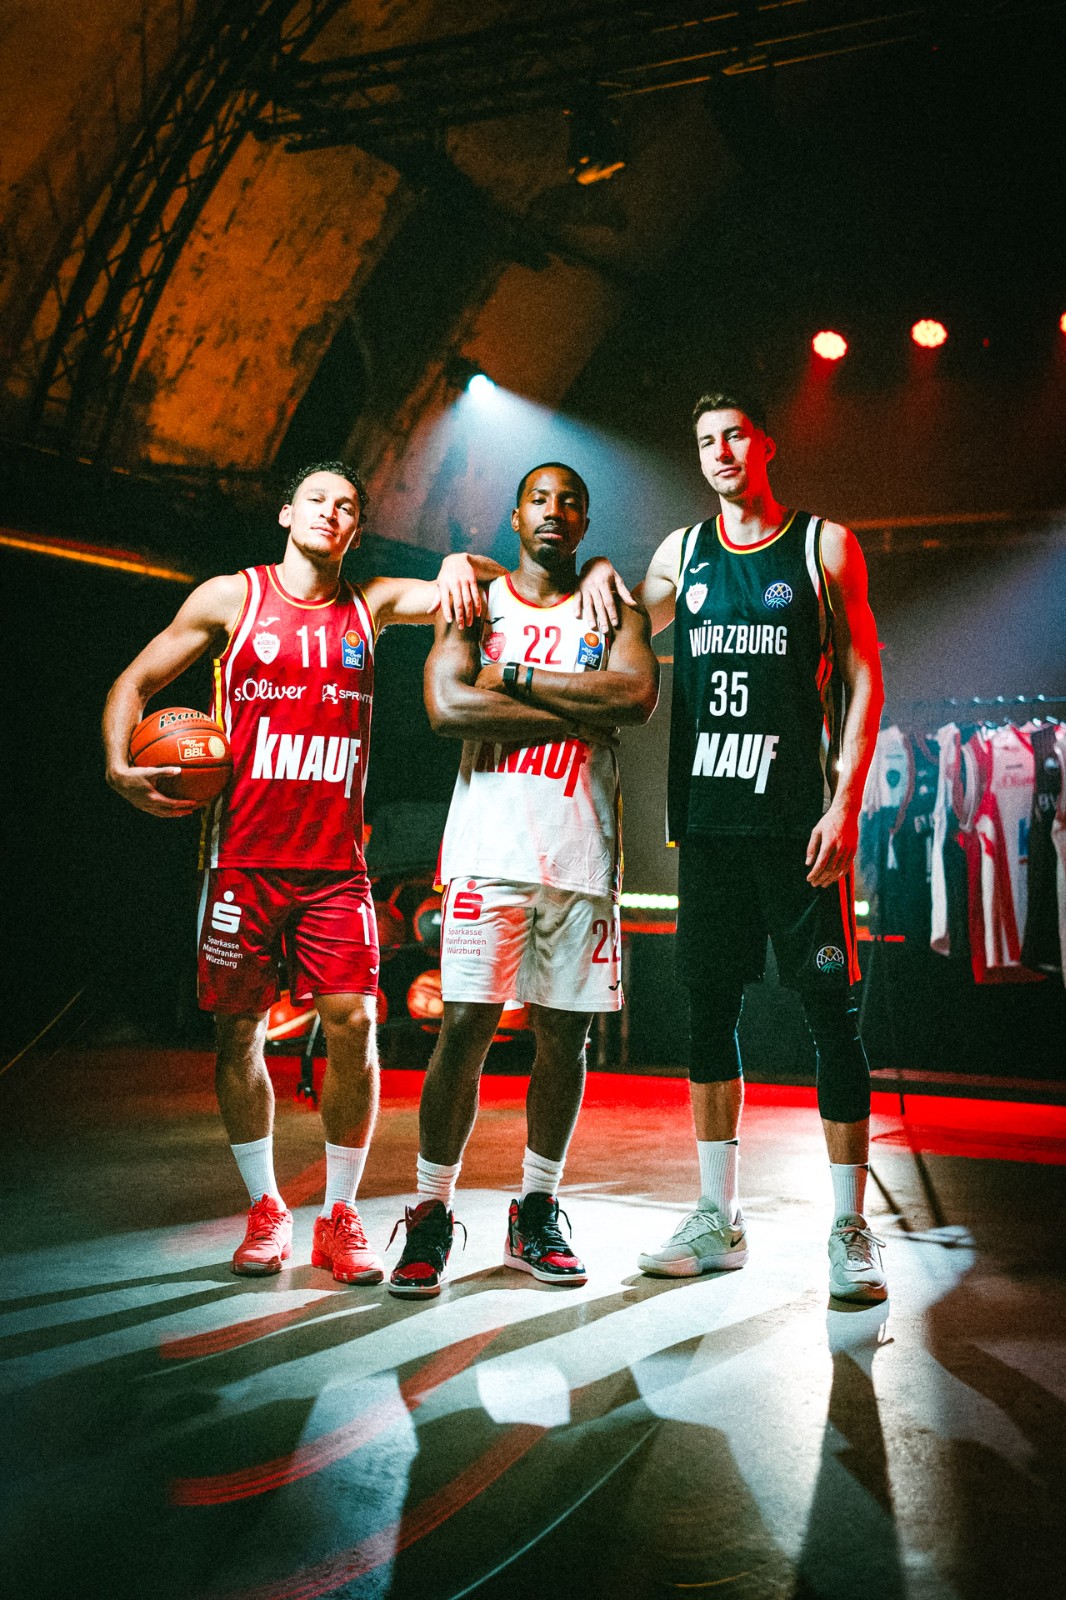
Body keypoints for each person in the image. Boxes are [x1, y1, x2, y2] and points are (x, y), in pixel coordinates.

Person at [103, 461, 495, 1284]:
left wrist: (465, 562)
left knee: (355, 1023)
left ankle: (340, 1215)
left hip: (334, 865)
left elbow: (498, 587)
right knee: (238, 1031)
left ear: (356, 528)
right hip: (242, 860)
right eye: (317, 499)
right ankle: (265, 1207)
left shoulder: (372, 604)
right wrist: (117, 767)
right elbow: (133, 680)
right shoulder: (231, 598)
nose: (331, 513)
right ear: (287, 513)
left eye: (347, 506)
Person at [634, 391, 888, 1302]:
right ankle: (717, 1216)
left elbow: (864, 672)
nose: (720, 452)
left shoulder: (823, 545)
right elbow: (619, 629)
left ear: (766, 444)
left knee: (832, 1019)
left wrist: (847, 801)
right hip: (708, 823)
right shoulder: (681, 553)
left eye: (734, 435)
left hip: (798, 827)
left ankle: (850, 1227)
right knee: (708, 1016)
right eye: (705, 440)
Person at [388, 463, 659, 1297]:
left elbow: (635, 698)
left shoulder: (614, 607)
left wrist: (508, 677)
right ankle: (430, 1212)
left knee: (565, 1038)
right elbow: (447, 707)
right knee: (464, 1027)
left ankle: (535, 1210)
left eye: (570, 500)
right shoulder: (476, 601)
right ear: (515, 517)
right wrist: (580, 706)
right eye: (539, 498)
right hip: (488, 851)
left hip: (581, 854)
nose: (554, 511)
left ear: (585, 522)